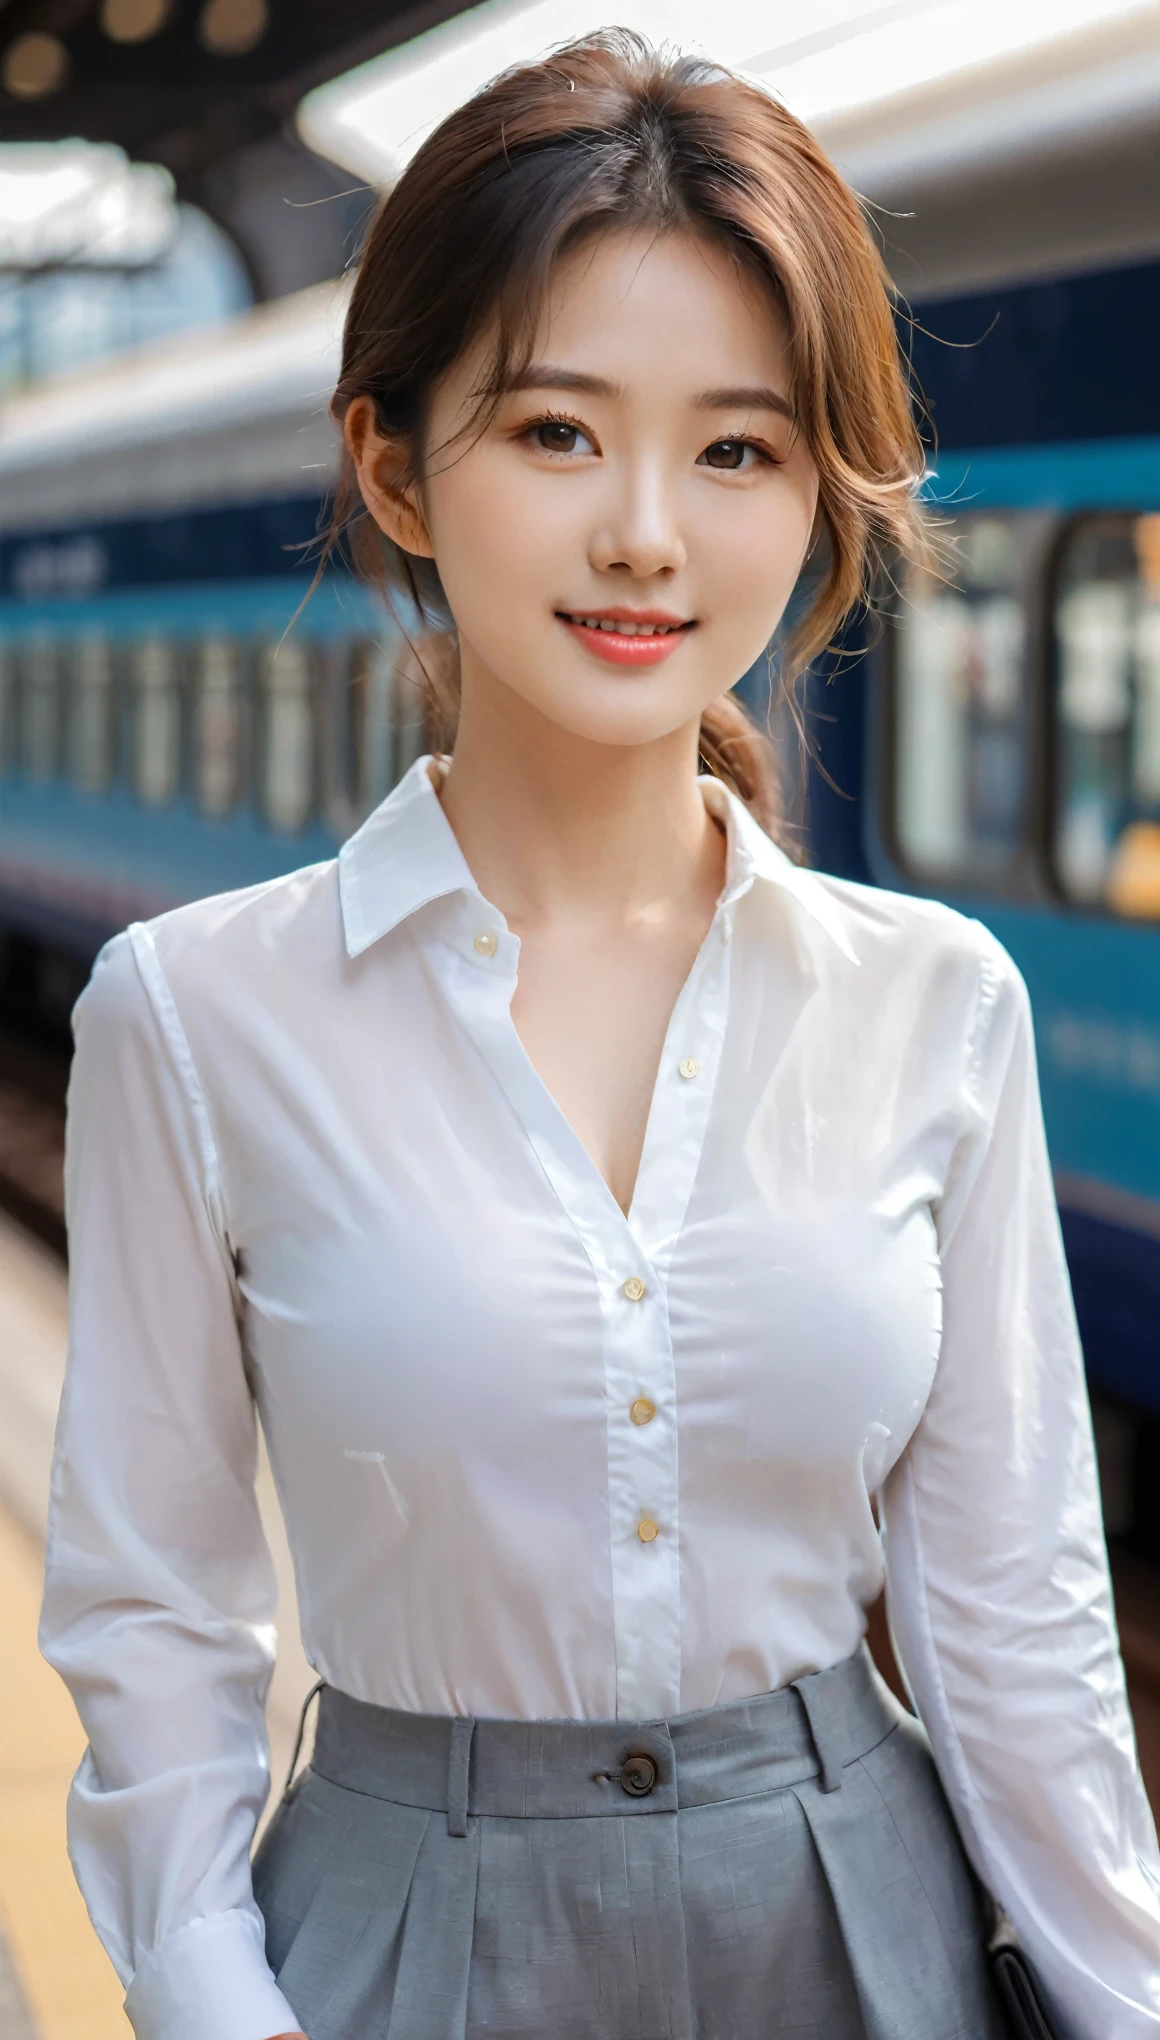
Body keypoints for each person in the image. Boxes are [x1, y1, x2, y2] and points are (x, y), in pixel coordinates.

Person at [40, 31, 1160, 2040]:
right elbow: (154, 1617)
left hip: (860, 1927)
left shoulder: (936, 1008)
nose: (648, 533)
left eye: (736, 449)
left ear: (816, 492)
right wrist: (217, 2006)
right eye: (557, 432)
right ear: (393, 464)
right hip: (389, 1938)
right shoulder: (195, 1019)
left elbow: (1016, 1628)